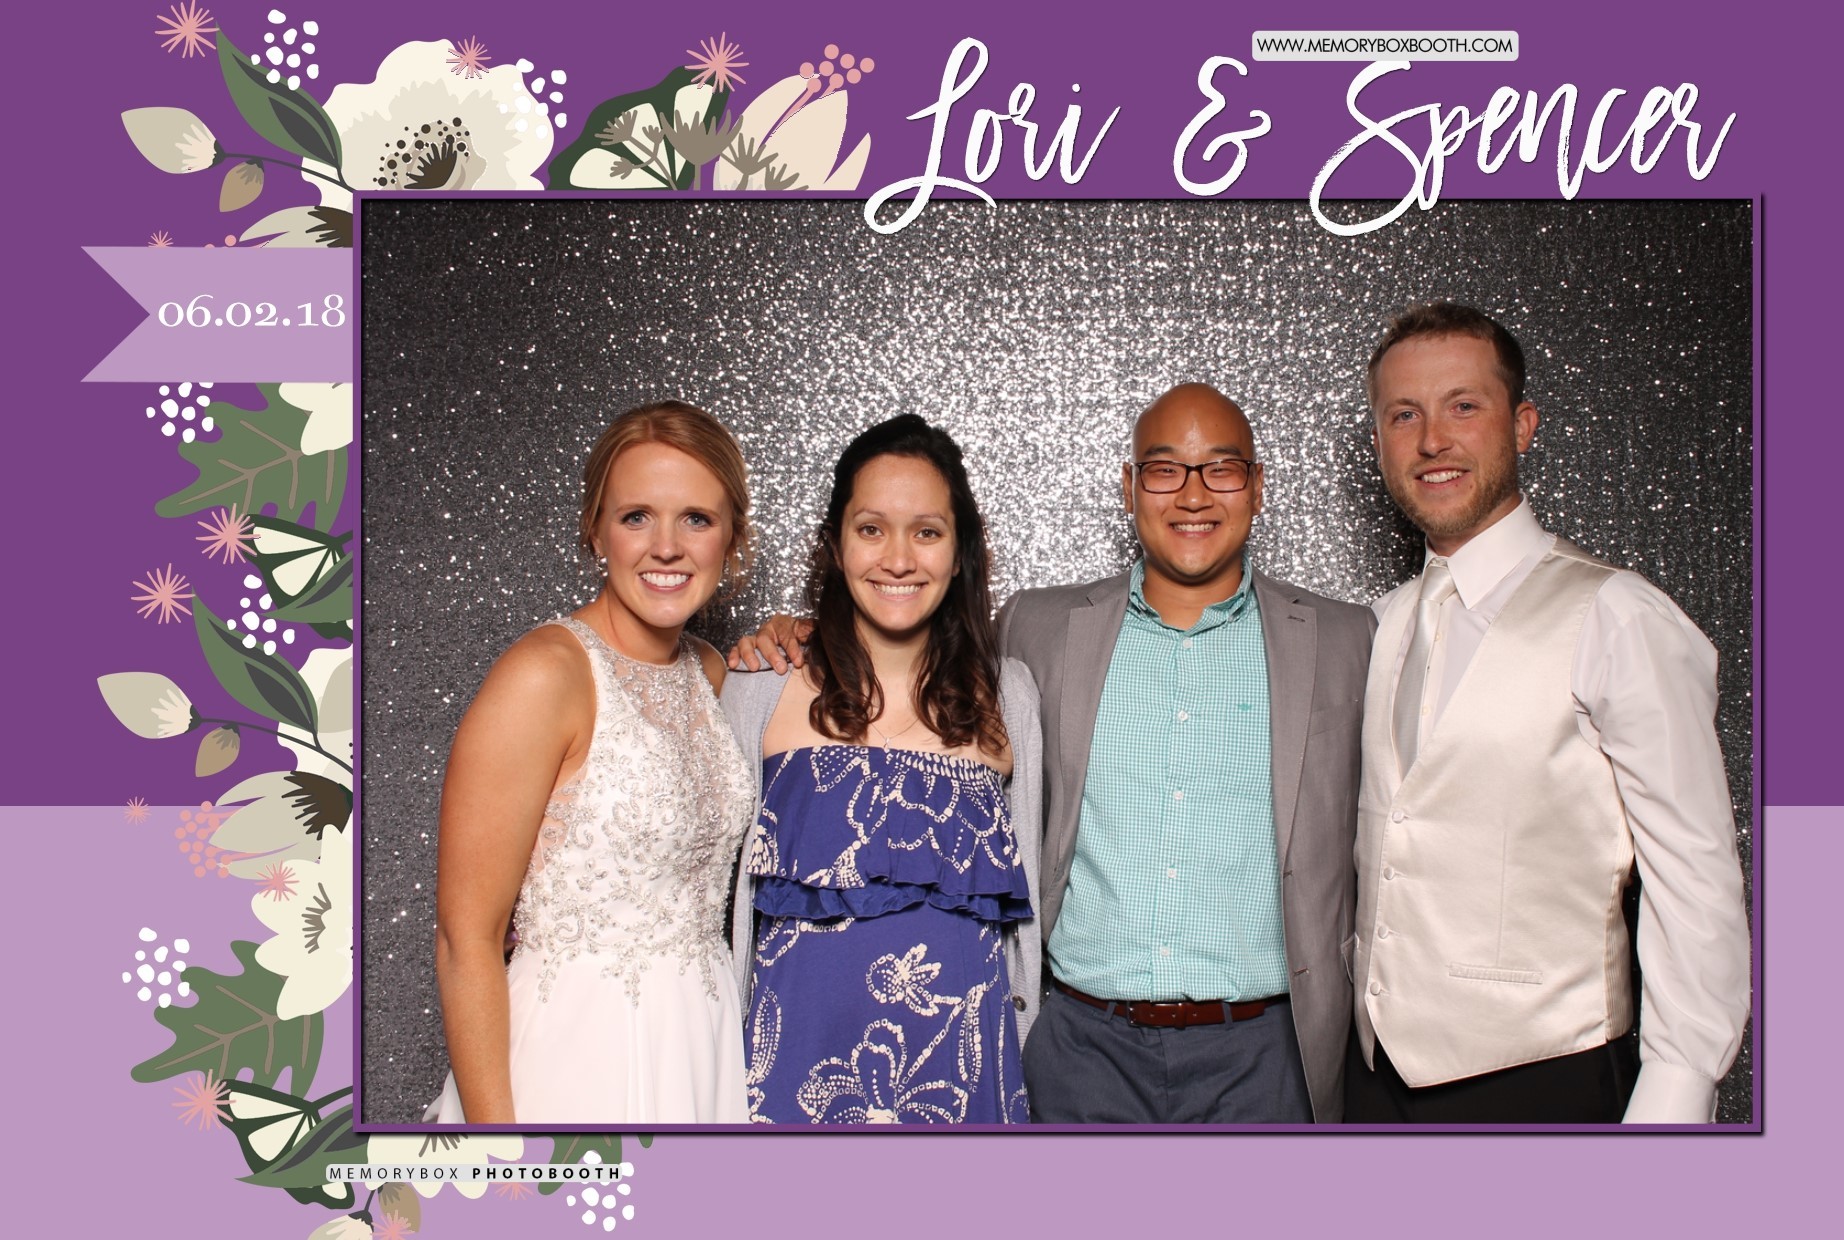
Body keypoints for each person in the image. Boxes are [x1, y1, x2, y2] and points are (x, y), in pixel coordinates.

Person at [735, 385, 1374, 1123]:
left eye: (1221, 469)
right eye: (1164, 469)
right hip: (1080, 1050)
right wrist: (794, 633)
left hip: (1266, 1050)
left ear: (1257, 486)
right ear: (1129, 487)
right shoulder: (1039, 630)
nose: (1193, 494)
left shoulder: (1348, 638)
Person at [1348, 302, 1751, 1124]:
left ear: (1522, 424)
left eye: (1464, 405)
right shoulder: (1378, 625)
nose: (1433, 440)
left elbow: (1694, 875)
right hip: (1373, 1081)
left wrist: (1676, 1094)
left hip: (1550, 1076)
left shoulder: (1618, 615)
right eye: (1404, 415)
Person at [428, 400, 757, 1124]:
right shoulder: (546, 674)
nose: (666, 547)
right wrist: (500, 1154)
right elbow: (464, 939)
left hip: (700, 1045)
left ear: (732, 537)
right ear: (596, 529)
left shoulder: (711, 672)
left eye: (696, 519)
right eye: (637, 516)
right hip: (575, 1056)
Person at [722, 415, 1041, 1124]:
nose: (898, 559)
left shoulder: (1009, 693)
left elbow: (1027, 920)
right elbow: (709, 894)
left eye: (926, 531)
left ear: (960, 551)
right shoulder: (760, 684)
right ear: (835, 545)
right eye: (871, 529)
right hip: (790, 1077)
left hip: (962, 1081)